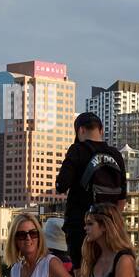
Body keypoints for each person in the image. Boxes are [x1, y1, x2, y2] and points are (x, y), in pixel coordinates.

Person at [55, 112, 126, 267]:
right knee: (105, 272)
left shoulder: (77, 150)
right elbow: (122, 199)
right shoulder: (116, 155)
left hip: (81, 227)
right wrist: (110, 224)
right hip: (108, 229)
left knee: (82, 274)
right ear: (101, 130)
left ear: (80, 131)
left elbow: (61, 185)